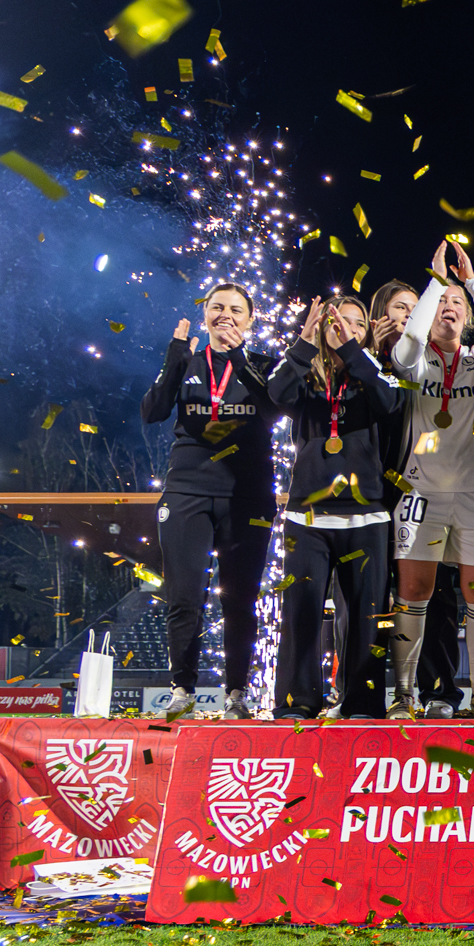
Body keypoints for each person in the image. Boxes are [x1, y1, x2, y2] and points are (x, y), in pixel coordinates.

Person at [141, 283, 282, 720]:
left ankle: (236, 694)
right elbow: (152, 412)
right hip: (187, 491)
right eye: (217, 307)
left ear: (251, 319)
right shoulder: (186, 361)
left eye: (236, 310)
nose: (226, 315)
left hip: (248, 495)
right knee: (184, 597)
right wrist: (174, 359)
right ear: (204, 315)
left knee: (240, 599)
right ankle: (181, 691)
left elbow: (274, 410)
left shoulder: (264, 364)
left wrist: (238, 357)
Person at [384, 239, 474, 718]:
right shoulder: (415, 359)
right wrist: (437, 282)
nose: (448, 307)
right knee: (414, 592)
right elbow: (409, 341)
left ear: (468, 314)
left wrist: (470, 283)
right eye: (441, 302)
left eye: (457, 303)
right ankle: (403, 694)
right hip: (422, 492)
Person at [268, 295, 404, 718]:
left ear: (366, 332)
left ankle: (361, 703)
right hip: (307, 516)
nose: (346, 328)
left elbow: (391, 403)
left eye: (356, 323)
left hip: (367, 516)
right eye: (336, 322)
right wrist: (305, 341)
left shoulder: (377, 371)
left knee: (368, 617)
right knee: (301, 613)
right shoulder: (303, 373)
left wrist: (351, 350)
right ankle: (298, 703)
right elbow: (276, 394)